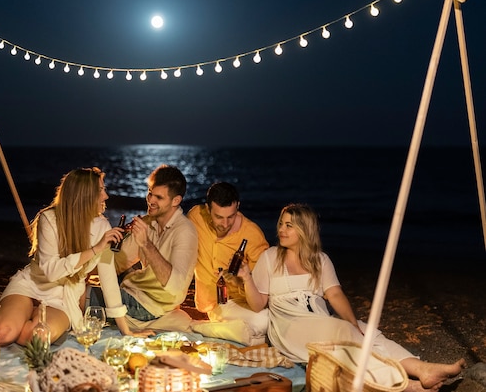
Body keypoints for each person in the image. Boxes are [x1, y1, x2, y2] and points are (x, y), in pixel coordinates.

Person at [239, 203, 466, 392]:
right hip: (290, 325)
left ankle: (421, 369)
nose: (281, 230)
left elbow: (335, 294)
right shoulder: (270, 257)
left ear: (304, 229)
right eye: (281, 224)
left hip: (320, 320)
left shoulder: (321, 260)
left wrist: (353, 323)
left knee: (366, 333)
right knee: (344, 336)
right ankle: (407, 386)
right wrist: (246, 277)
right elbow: (259, 304)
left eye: (289, 225)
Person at [0, 167, 151, 346]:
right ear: (84, 194)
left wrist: (127, 330)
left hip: (62, 297)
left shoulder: (102, 227)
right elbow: (51, 271)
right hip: (32, 285)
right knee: (2, 334)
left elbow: (108, 281)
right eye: (101, 190)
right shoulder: (49, 218)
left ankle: (5, 311)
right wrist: (95, 249)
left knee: (37, 338)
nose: (106, 196)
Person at [108, 164, 198, 326]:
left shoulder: (185, 231)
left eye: (159, 197)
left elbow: (176, 287)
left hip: (148, 307)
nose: (151, 201)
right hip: (133, 293)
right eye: (150, 193)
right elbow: (117, 262)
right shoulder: (149, 222)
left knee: (77, 296)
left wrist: (146, 244)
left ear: (176, 200)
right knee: (77, 288)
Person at [187, 182, 269, 345]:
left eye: (230, 217)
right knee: (262, 326)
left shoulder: (252, 235)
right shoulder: (196, 216)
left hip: (240, 302)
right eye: (219, 217)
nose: (225, 224)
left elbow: (262, 290)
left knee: (265, 320)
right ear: (208, 209)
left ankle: (211, 328)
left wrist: (241, 278)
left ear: (238, 206)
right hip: (211, 302)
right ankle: (219, 329)